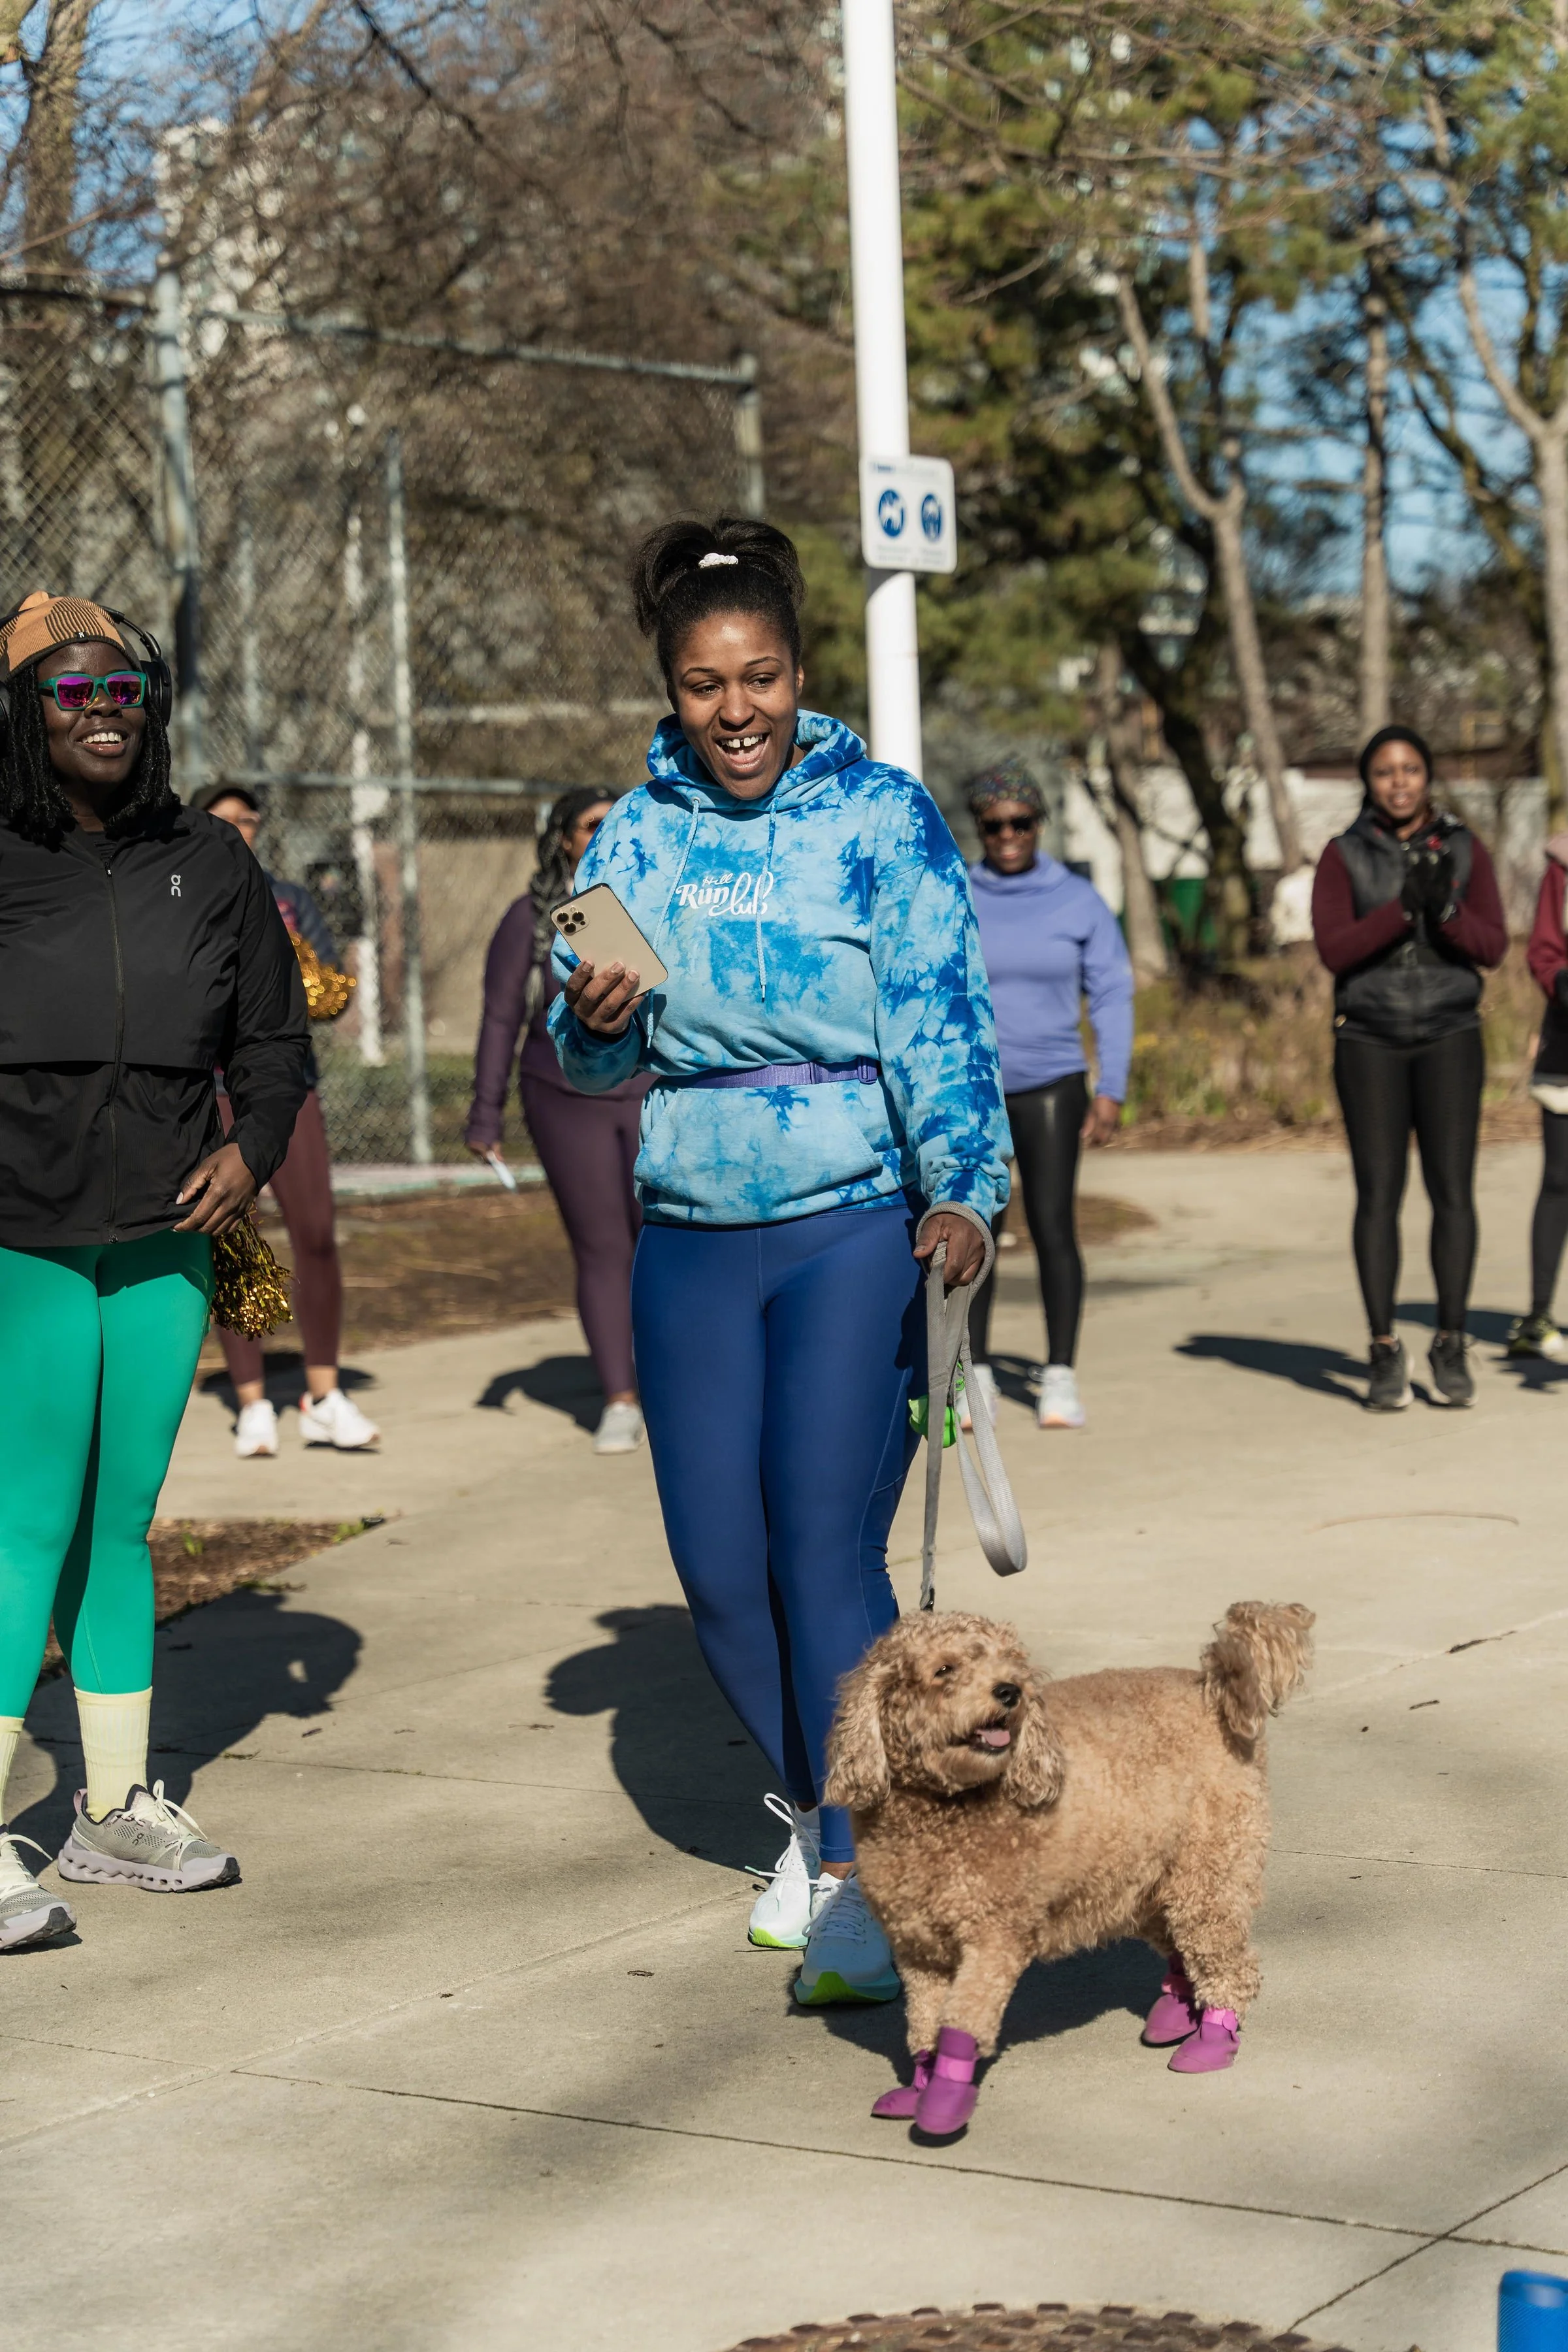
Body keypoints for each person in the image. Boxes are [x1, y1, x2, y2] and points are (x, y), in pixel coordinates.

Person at [549, 516, 1009, 2008]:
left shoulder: (883, 814)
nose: (731, 709)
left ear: (797, 674)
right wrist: (602, 1012)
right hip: (685, 1229)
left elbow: (942, 1014)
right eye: (701, 683)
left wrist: (964, 1192)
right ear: (669, 688)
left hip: (846, 1218)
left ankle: (876, 1858)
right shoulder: (623, 835)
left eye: (755, 677)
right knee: (715, 1575)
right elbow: (577, 1041)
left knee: (819, 1550)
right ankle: (824, 1815)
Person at [0, 591, 308, 1949]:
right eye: (72, 694)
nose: (102, 712)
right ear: (24, 714)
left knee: (122, 1522)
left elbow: (277, 1043)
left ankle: (113, 1804)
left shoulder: (210, 861)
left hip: (168, 1234)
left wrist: (254, 1152)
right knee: (26, 1528)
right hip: (24, 1233)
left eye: (120, 690)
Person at [1311, 723, 1507, 1411]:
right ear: (1369, 780)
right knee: (1379, 1196)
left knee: (1453, 1192)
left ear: (1428, 777)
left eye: (1412, 770)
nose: (1400, 783)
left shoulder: (1462, 846)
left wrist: (1445, 909)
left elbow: (1493, 946)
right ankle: (1385, 1348)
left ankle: (1451, 1341)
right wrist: (1401, 911)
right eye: (1386, 772)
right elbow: (1335, 949)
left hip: (1451, 1034)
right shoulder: (1343, 855)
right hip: (1369, 1038)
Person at [465, 787, 648, 1454]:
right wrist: (485, 1114)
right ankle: (620, 1399)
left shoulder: (658, 895)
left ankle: (672, 1381)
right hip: (564, 1098)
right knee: (603, 1248)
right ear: (562, 839)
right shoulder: (535, 918)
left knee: (664, 1243)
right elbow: (499, 1017)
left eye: (615, 821)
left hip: (652, 1093)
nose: (604, 833)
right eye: (591, 824)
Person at [199, 785, 379, 1456]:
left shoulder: (289, 899)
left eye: (249, 820)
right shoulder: (178, 890)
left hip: (289, 1090)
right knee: (234, 1238)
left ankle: (324, 1393)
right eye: (226, 819)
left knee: (317, 1235)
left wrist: (297, 961)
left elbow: (330, 993)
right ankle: (251, 1402)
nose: (241, 829)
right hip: (212, 1094)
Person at [960, 767, 1134, 1431]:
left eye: (1021, 823)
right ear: (980, 827)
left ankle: (1059, 1372)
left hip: (1054, 1083)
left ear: (1040, 825)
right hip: (974, 1087)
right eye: (995, 824)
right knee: (979, 1228)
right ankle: (973, 1372)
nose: (1008, 836)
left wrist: (1112, 1088)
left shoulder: (1077, 899)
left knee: (1054, 1226)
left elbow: (1113, 993)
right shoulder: (959, 891)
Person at [1508, 830, 1568, 1362]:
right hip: (1567, 1050)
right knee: (1560, 1179)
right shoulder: (1563, 867)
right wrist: (1562, 982)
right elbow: (1545, 951)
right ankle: (1538, 1315)